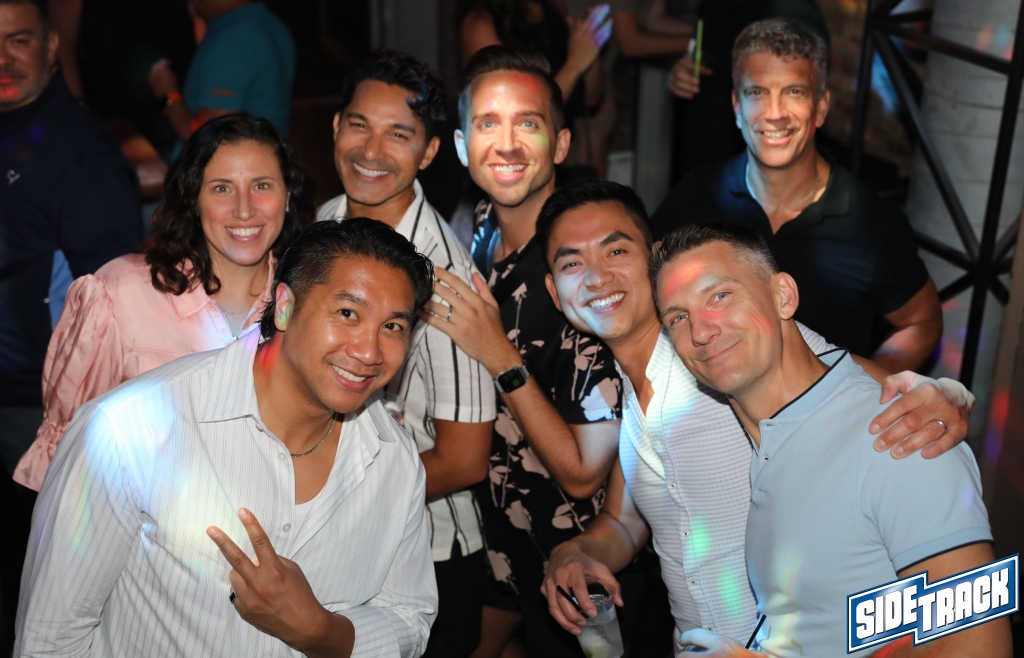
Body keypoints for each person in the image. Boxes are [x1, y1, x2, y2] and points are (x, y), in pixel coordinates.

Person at [533, 180, 977, 652]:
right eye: (572, 263)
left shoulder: (728, 353)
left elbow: (857, 387)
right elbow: (626, 523)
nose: (597, 277)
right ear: (555, 292)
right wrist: (573, 552)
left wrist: (945, 395)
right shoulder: (633, 391)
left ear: (654, 259)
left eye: (616, 250)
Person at [16, 219, 438, 657]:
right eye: (347, 313)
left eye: (393, 327)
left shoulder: (394, 458)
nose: (369, 351)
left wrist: (322, 632)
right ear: (284, 306)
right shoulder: (127, 430)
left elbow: (409, 616)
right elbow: (49, 641)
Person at [647, 223, 1011, 656]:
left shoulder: (901, 436)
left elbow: (976, 646)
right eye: (678, 317)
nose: (701, 332)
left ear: (783, 296)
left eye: (720, 296)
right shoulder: (771, 439)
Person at [420, 45, 625, 657]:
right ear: (462, 147)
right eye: (489, 123)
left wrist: (499, 355)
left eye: (527, 124)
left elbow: (584, 474)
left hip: (578, 567)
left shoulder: (584, 267)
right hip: (496, 543)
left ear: (560, 144)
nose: (506, 144)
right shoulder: (478, 227)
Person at [14, 114, 314, 492]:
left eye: (262, 185)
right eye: (222, 188)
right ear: (194, 199)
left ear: (288, 197)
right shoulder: (120, 296)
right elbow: (65, 449)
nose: (244, 209)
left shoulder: (308, 306)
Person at [316, 50, 496, 658]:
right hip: (340, 538)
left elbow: (465, 460)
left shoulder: (441, 278)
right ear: (335, 126)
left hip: (428, 552)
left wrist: (336, 501)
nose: (371, 150)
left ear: (428, 151)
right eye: (359, 125)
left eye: (399, 134)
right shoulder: (327, 222)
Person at [652, 19, 941, 373]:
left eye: (794, 92)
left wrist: (864, 386)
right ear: (737, 107)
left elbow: (922, 321)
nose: (775, 114)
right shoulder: (700, 193)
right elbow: (645, 285)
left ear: (821, 107)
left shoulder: (871, 224)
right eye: (757, 93)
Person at [0, 0, 141, 649]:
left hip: (33, 414)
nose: (3, 59)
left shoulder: (80, 160)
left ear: (52, 47)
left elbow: (114, 309)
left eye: (18, 40)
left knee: (42, 590)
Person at [666, 1, 827, 180]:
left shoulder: (789, 7)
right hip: (701, 144)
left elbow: (807, 70)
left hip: (747, 155)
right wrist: (682, 70)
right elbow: (704, 48)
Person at [459, 0, 611, 175]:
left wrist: (589, 45)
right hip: (507, 167)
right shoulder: (479, 23)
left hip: (557, 159)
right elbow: (514, 107)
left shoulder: (553, 7)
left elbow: (592, 98)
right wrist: (574, 66)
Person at [148, 0, 296, 144]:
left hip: (235, 159)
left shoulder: (231, 41)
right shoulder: (271, 24)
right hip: (266, 155)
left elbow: (211, 143)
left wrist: (168, 95)